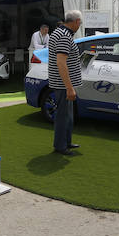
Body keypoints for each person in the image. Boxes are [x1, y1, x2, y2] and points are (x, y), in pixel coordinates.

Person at [48, 10, 82, 155]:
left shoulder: (60, 33)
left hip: (62, 83)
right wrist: (69, 87)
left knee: (67, 116)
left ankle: (65, 142)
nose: (80, 25)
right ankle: (61, 146)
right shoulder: (64, 36)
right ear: (75, 22)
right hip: (62, 85)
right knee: (63, 116)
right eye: (80, 22)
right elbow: (61, 63)